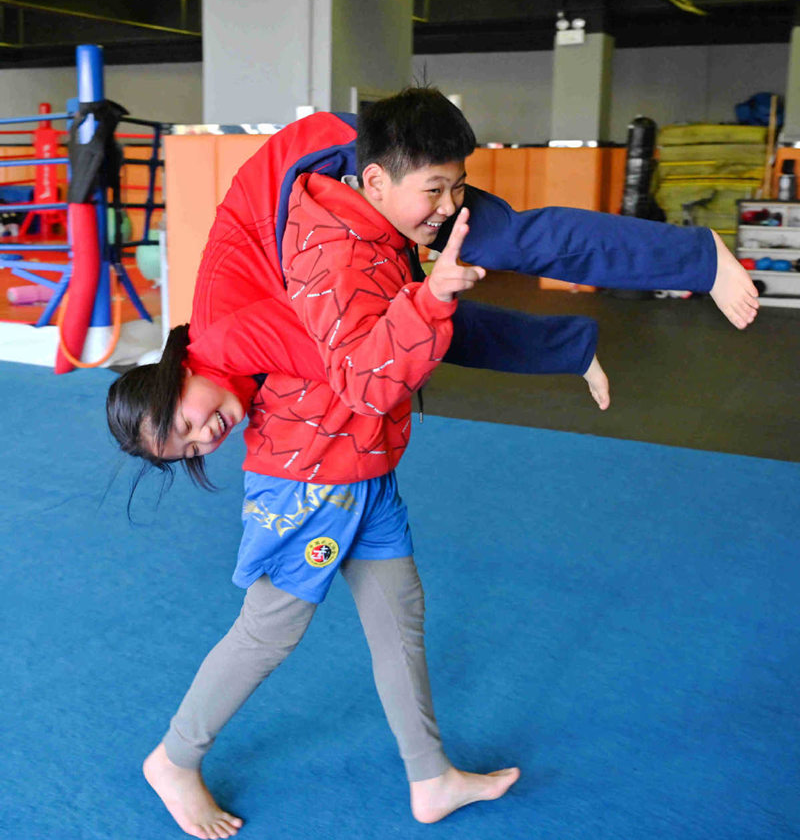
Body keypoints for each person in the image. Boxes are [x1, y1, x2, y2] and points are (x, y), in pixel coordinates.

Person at [107, 89, 757, 840]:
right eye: (191, 451)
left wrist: (535, 333)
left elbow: (408, 336)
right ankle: (174, 757)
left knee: (399, 615)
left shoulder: (243, 327)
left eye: (187, 425)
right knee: (270, 630)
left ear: (175, 372)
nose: (206, 437)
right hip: (310, 480)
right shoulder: (319, 275)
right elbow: (391, 356)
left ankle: (431, 776)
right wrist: (530, 333)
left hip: (357, 463)